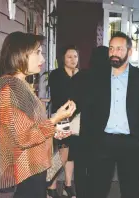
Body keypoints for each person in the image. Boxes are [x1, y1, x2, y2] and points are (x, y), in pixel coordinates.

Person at [0, 31, 76, 198]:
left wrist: (54, 130)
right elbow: (23, 138)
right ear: (20, 53)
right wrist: (55, 119)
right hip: (23, 173)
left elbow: (28, 126)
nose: (42, 59)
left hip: (33, 168)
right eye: (37, 52)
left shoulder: (21, 84)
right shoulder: (10, 89)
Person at [88, 31, 139, 198]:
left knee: (131, 190)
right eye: (111, 48)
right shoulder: (98, 77)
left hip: (132, 143)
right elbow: (90, 110)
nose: (114, 53)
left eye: (119, 49)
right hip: (103, 141)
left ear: (129, 52)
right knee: (98, 189)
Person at [71, 45, 109, 198]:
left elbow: (74, 104)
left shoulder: (80, 77)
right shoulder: (112, 79)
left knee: (81, 168)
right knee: (100, 171)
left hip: (84, 130)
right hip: (104, 132)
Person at [48, 45, 80, 198]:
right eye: (69, 57)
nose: (73, 60)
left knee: (71, 154)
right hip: (62, 119)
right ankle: (51, 186)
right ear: (63, 59)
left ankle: (68, 184)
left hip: (76, 120)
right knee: (61, 154)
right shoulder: (56, 75)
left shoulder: (81, 75)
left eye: (75, 56)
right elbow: (59, 97)